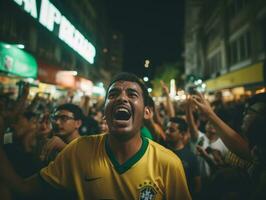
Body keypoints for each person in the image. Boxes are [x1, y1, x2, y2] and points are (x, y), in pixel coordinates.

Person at [0, 72, 191, 200]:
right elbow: (24, 189)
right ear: (105, 109)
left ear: (147, 112)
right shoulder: (78, 150)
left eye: (132, 94)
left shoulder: (169, 164)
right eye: (114, 94)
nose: (122, 98)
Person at [165, 117, 201, 197]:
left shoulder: (191, 157)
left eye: (172, 130)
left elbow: (197, 185)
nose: (167, 132)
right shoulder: (160, 150)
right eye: (166, 128)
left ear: (182, 134)